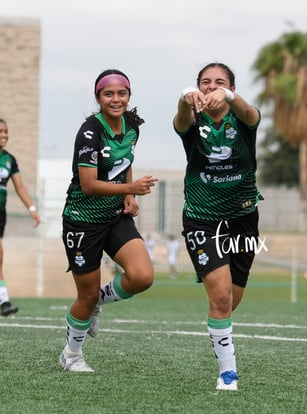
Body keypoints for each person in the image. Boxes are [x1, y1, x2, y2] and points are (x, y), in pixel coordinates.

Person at [60, 69, 158, 372]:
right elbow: (88, 185)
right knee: (84, 296)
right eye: (108, 94)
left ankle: (98, 303)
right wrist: (131, 188)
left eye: (121, 93)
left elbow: (124, 160)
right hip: (82, 221)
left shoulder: (131, 126)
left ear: (129, 96)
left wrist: (128, 196)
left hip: (115, 216)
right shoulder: (90, 132)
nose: (116, 99)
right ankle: (71, 355)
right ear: (98, 98)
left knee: (142, 276)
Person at [173, 62, 262, 391]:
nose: (212, 87)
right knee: (222, 296)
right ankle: (228, 373)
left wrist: (227, 95)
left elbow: (251, 111)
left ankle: (218, 328)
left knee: (230, 301)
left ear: (232, 89)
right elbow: (180, 118)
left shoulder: (244, 120)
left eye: (220, 83)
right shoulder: (192, 121)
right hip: (202, 218)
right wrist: (186, 96)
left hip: (243, 218)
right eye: (205, 83)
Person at [0, 118, 41, 316]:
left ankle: (3, 301)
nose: (4, 135)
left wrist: (32, 209)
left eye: (6, 131)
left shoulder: (9, 160)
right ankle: (3, 301)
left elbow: (20, 187)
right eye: (0, 131)